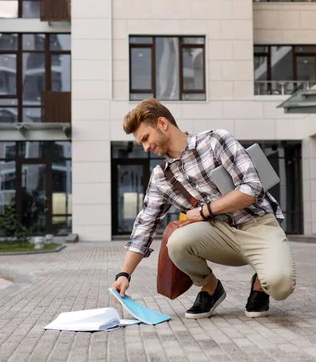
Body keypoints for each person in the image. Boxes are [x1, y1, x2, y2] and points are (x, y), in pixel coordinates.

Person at [111, 99, 296, 319]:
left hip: (257, 225)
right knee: (177, 241)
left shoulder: (215, 141)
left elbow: (252, 188)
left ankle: (260, 283)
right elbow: (145, 225)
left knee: (280, 286)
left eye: (145, 138)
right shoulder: (161, 177)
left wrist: (205, 211)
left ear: (162, 123)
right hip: (219, 235)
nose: (146, 147)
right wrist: (124, 274)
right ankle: (211, 288)